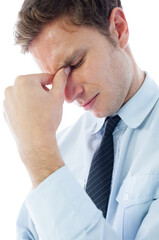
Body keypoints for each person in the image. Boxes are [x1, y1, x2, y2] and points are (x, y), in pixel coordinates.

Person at [3, 0, 159, 239]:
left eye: (75, 64)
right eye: (55, 79)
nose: (67, 95)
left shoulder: (46, 160)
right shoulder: (60, 149)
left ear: (118, 28)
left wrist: (40, 158)